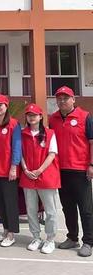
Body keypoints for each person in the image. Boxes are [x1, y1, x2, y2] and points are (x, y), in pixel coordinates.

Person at [49, 86, 93, 257]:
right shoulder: (53, 119)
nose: (62, 101)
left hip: (80, 170)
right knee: (67, 207)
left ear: (73, 99)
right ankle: (72, 237)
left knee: (86, 208)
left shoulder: (85, 116)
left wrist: (91, 165)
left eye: (65, 98)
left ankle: (88, 241)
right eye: (59, 98)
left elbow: (91, 142)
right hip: (61, 170)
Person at [20, 103, 60, 254]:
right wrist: (25, 169)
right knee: (31, 209)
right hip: (28, 175)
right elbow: (20, 154)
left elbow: (52, 154)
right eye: (29, 115)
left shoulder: (50, 133)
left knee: (50, 211)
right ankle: (36, 237)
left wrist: (39, 170)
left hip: (46, 176)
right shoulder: (22, 133)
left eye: (34, 115)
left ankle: (50, 239)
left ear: (40, 116)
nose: (32, 117)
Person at [0, 94, 21, 247]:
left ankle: (12, 234)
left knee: (10, 202)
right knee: (0, 203)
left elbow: (17, 147)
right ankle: (5, 231)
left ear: (6, 106)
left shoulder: (14, 124)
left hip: (8, 171)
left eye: (0, 105)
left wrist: (14, 166)